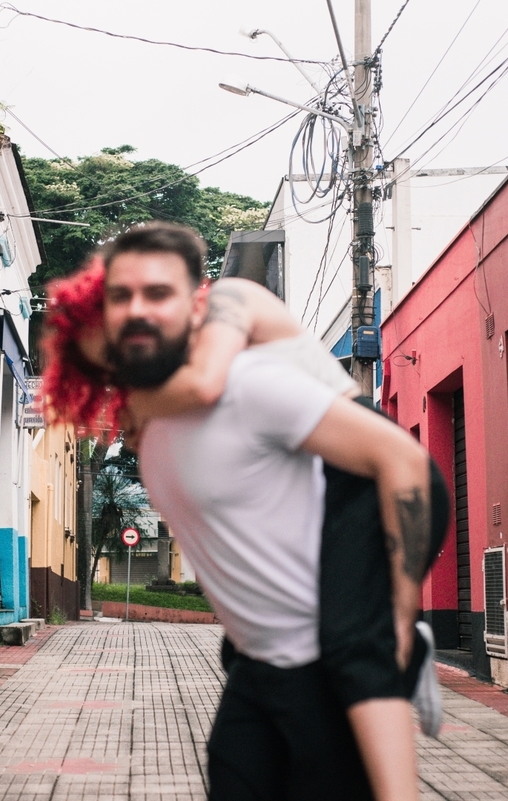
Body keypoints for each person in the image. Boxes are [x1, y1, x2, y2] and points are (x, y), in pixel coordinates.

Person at [41, 223, 446, 800]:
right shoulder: (159, 421)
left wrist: (399, 622)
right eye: (120, 302)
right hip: (315, 485)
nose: (136, 312)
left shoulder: (232, 338)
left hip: (365, 461)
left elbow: (205, 385)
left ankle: (401, 655)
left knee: (359, 642)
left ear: (195, 296)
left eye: (158, 294)